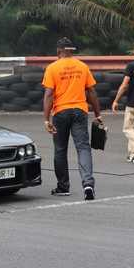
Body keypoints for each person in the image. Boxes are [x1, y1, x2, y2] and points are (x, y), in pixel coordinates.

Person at [42, 37, 102, 200]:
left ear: (58, 51)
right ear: (71, 51)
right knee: (83, 148)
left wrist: (46, 119)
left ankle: (63, 187)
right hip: (80, 111)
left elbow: (48, 94)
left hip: (61, 112)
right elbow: (91, 92)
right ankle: (88, 184)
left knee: (60, 149)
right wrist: (98, 115)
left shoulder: (52, 68)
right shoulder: (82, 67)